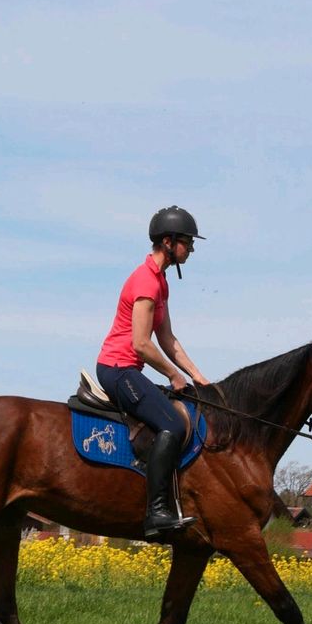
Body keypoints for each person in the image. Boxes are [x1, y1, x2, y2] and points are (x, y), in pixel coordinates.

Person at [96, 205, 210, 540]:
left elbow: (168, 338)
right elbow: (142, 344)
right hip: (117, 369)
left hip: (128, 368)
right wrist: (175, 377)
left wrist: (198, 376)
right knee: (173, 424)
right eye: (187, 242)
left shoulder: (160, 283)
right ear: (168, 241)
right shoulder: (146, 281)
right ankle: (157, 512)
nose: (190, 249)